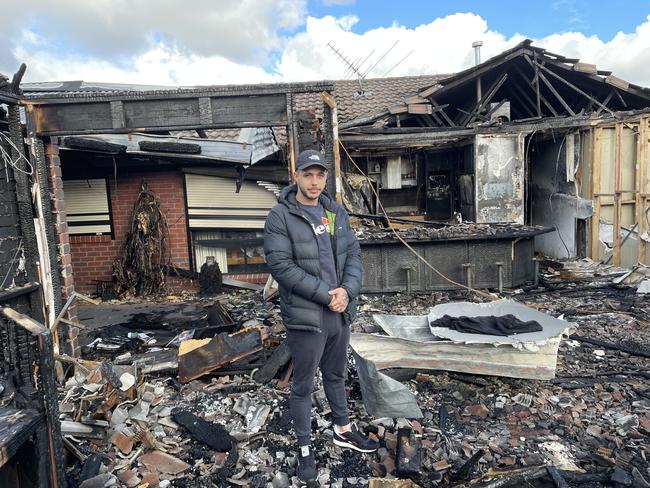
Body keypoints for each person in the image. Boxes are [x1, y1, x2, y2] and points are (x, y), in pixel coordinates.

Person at [264, 149, 378, 483]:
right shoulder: (280, 216)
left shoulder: (334, 211)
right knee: (302, 385)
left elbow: (354, 253)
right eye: (308, 175)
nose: (314, 182)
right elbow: (281, 266)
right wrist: (325, 294)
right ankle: (304, 448)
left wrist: (347, 291)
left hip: (338, 312)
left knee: (336, 375)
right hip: (307, 315)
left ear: (326, 178)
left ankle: (342, 428)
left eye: (320, 175)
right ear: (296, 176)